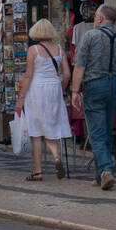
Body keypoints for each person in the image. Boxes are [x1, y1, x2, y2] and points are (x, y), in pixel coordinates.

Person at [70, 4, 116, 191]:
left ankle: (107, 170)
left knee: (97, 133)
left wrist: (75, 92)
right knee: (106, 130)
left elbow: (80, 67)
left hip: (95, 85)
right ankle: (99, 176)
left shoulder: (90, 36)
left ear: (99, 19)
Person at [15, 19, 72, 181]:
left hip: (37, 90)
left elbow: (28, 76)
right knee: (51, 127)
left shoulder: (33, 50)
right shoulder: (60, 49)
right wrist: (61, 88)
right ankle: (55, 157)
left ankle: (38, 171)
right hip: (54, 88)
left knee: (36, 131)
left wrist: (21, 99)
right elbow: (67, 74)